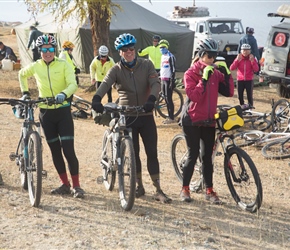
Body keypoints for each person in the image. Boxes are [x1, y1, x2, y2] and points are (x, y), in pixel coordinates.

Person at [92, 33, 172, 203]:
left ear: (135, 49)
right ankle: (138, 186)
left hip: (145, 113)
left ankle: (158, 189)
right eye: (124, 50)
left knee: (152, 152)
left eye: (131, 49)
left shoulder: (147, 64)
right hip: (127, 115)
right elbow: (105, 83)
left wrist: (152, 99)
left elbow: (156, 83)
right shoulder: (116, 69)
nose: (128, 52)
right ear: (119, 52)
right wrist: (97, 98)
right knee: (134, 153)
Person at [18, 34, 85, 198]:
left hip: (62, 111)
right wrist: (25, 93)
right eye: (44, 50)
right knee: (55, 150)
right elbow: (21, 74)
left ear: (54, 50)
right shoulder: (36, 65)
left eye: (50, 49)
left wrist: (64, 93)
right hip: (45, 113)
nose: (48, 52)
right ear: (40, 51)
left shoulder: (63, 64)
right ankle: (65, 184)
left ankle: (76, 186)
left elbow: (72, 84)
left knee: (68, 150)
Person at [179, 38, 234, 203]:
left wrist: (227, 74)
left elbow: (229, 92)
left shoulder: (216, 73)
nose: (212, 59)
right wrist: (203, 79)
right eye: (209, 56)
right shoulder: (190, 73)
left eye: (215, 56)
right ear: (201, 55)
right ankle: (185, 189)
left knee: (207, 157)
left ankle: (209, 191)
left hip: (209, 120)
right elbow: (194, 96)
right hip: (192, 120)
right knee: (193, 154)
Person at [159, 39, 177, 124]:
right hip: (163, 79)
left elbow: (173, 69)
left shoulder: (170, 56)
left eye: (163, 47)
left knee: (169, 98)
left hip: (168, 80)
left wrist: (172, 81)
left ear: (166, 47)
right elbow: (162, 68)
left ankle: (171, 117)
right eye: (160, 47)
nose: (161, 49)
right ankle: (168, 116)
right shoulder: (162, 56)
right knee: (165, 98)